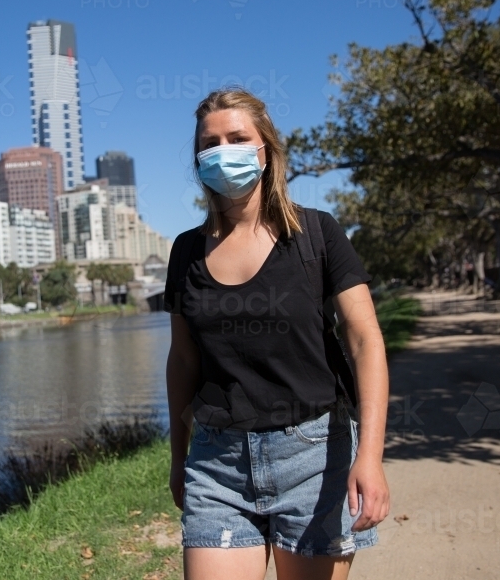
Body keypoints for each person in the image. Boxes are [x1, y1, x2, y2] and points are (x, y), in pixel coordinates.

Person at [164, 89, 390, 580]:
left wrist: (369, 456)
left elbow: (365, 341)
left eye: (238, 138)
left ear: (266, 150)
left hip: (314, 457)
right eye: (211, 143)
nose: (223, 151)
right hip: (217, 465)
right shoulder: (185, 252)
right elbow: (182, 361)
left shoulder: (317, 234)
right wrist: (177, 458)